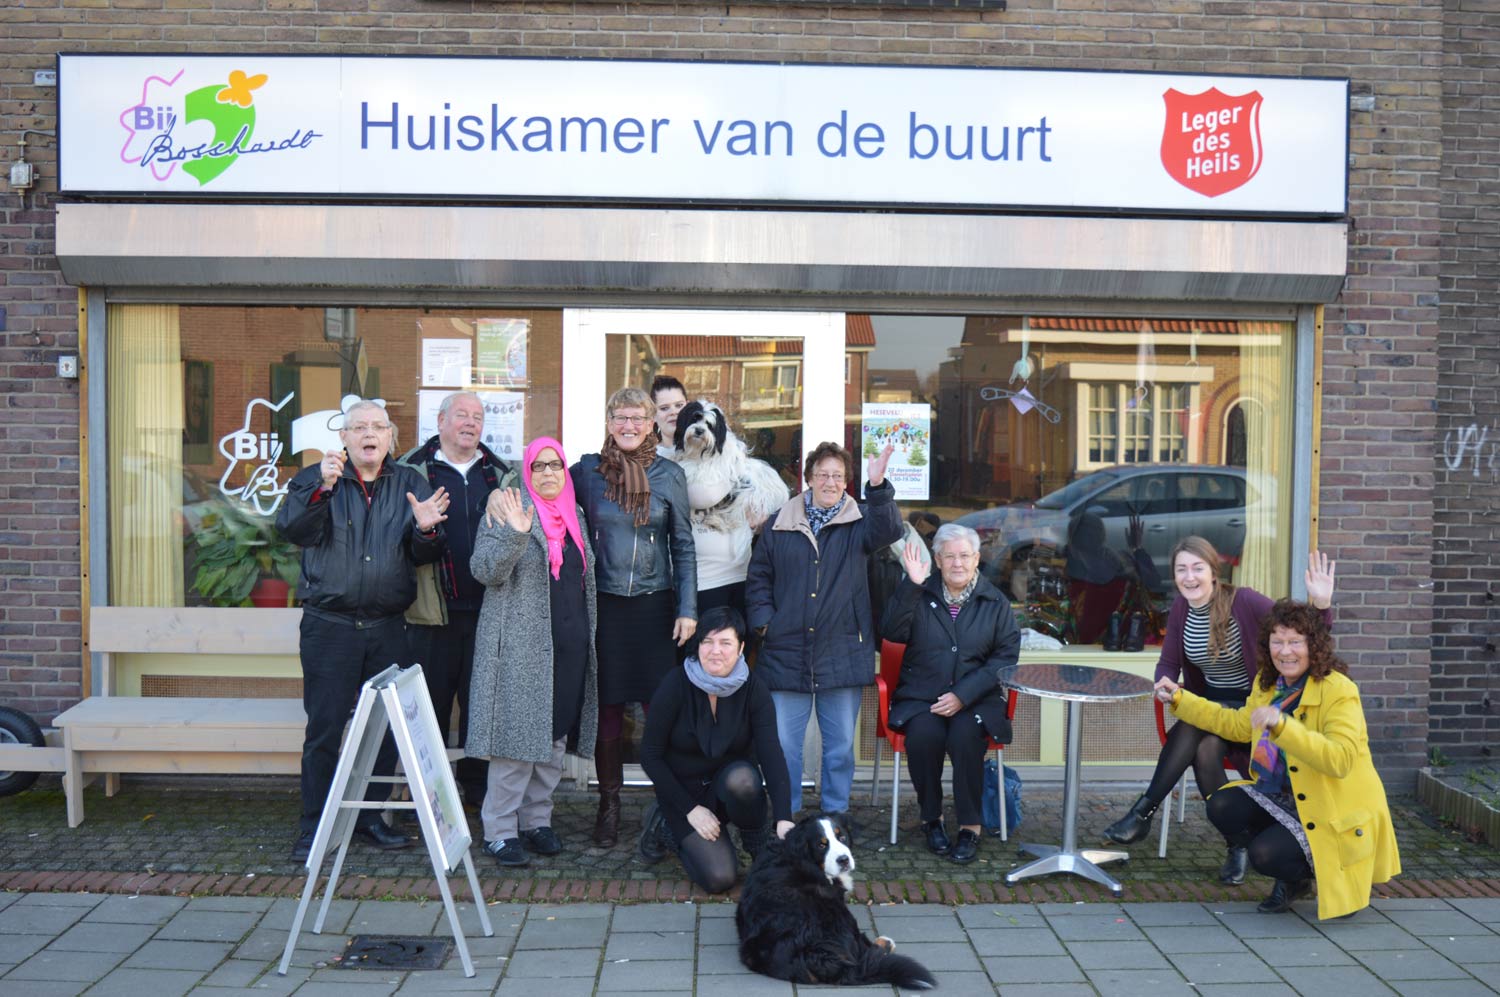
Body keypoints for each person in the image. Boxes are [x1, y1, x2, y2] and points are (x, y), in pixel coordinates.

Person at [1102, 537, 1335, 888]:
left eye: (1197, 568)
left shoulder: (1244, 601)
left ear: (1214, 571)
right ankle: (1234, 843)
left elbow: (1299, 632)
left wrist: (1321, 603)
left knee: (1198, 733)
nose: (1189, 577)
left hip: (1251, 708)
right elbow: (1168, 661)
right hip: (1211, 705)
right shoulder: (1181, 608)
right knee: (1202, 739)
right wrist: (1164, 683)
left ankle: (1144, 813)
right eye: (1181, 569)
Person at [275, 399, 449, 862]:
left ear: (391, 436)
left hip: (388, 627)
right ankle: (316, 826)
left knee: (387, 730)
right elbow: (290, 528)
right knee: (325, 727)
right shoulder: (319, 477)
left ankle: (370, 818)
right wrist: (322, 489)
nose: (369, 434)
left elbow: (422, 554)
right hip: (329, 628)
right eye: (359, 427)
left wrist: (429, 533)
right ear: (345, 438)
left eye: (377, 427)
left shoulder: (410, 482)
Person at [1155, 599, 1400, 918]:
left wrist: (1284, 726)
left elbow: (1339, 760)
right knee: (1222, 805)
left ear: (1314, 644)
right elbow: (1239, 725)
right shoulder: (1268, 684)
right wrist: (1179, 698)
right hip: (1286, 796)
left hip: (1332, 807)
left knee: (1264, 854)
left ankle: (1314, 874)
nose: (1286, 651)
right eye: (1278, 641)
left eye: (1295, 642)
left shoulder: (1339, 690)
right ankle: (1295, 871)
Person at [571, 385, 697, 847]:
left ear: (651, 425)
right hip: (603, 606)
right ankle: (609, 804)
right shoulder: (586, 472)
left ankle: (669, 806)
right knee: (607, 710)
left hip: (654, 605)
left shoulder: (669, 475)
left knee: (659, 709)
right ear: (609, 424)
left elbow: (682, 545)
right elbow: (544, 497)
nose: (628, 426)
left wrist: (688, 609)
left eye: (637, 419)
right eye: (619, 418)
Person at [746, 441, 900, 819]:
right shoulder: (780, 521)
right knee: (783, 745)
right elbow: (759, 577)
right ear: (809, 478)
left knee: (839, 746)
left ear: (847, 481)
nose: (830, 482)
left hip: (842, 651)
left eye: (837, 475)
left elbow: (890, 529)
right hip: (786, 650)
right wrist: (766, 623)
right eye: (823, 474)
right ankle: (787, 813)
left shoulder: (861, 520)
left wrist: (877, 487)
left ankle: (834, 815)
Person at [467, 437, 598, 867]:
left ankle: (536, 821)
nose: (547, 473)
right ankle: (500, 830)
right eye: (538, 466)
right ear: (526, 470)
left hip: (570, 647)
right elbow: (484, 571)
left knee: (554, 740)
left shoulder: (575, 514)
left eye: (555, 465)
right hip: (522, 650)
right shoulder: (506, 508)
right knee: (516, 745)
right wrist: (515, 536)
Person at [399, 391, 517, 809]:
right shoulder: (411, 472)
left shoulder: (501, 473)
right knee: (430, 707)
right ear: (441, 420)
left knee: (481, 707)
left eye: (478, 417)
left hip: (488, 611)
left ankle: (477, 794)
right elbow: (401, 544)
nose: (471, 423)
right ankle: (428, 797)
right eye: (462, 415)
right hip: (432, 613)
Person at [881, 525, 1020, 864]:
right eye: (949, 556)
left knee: (964, 737)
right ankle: (933, 819)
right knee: (924, 736)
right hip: (922, 696)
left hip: (975, 700)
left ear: (977, 559)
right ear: (938, 561)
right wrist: (911, 585)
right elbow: (890, 632)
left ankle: (971, 826)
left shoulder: (995, 602)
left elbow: (1004, 658)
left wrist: (962, 694)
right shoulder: (920, 591)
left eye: (964, 556)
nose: (957, 563)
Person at [637, 607, 795, 893]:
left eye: (725, 643)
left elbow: (771, 753)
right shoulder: (675, 684)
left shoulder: (753, 689)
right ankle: (663, 825)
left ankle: (757, 844)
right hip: (682, 793)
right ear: (697, 646)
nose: (715, 651)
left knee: (744, 778)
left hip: (729, 785)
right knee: (720, 878)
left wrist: (784, 818)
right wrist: (690, 810)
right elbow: (649, 754)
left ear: (741, 648)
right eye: (707, 642)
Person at [651, 374, 688, 454]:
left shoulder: (709, 455)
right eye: (664, 408)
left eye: (679, 405)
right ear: (653, 415)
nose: (673, 412)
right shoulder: (648, 460)